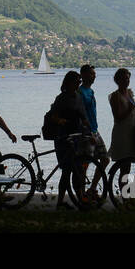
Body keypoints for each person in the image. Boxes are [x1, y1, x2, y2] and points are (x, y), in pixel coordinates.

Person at [50, 70, 92, 209]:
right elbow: (53, 116)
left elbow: (84, 117)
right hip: (63, 137)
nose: (78, 84)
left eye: (79, 82)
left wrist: (89, 131)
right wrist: (60, 120)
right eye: (76, 81)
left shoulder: (78, 97)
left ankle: (80, 197)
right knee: (67, 170)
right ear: (68, 82)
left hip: (76, 137)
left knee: (78, 169)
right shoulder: (61, 98)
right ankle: (61, 202)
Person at [108, 68, 135, 177]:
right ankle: (125, 193)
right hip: (121, 133)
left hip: (131, 132)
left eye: (128, 78)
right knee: (124, 168)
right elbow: (117, 117)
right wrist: (130, 109)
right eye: (125, 79)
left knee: (129, 167)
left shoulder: (129, 93)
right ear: (118, 80)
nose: (127, 81)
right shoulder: (115, 96)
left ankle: (128, 191)